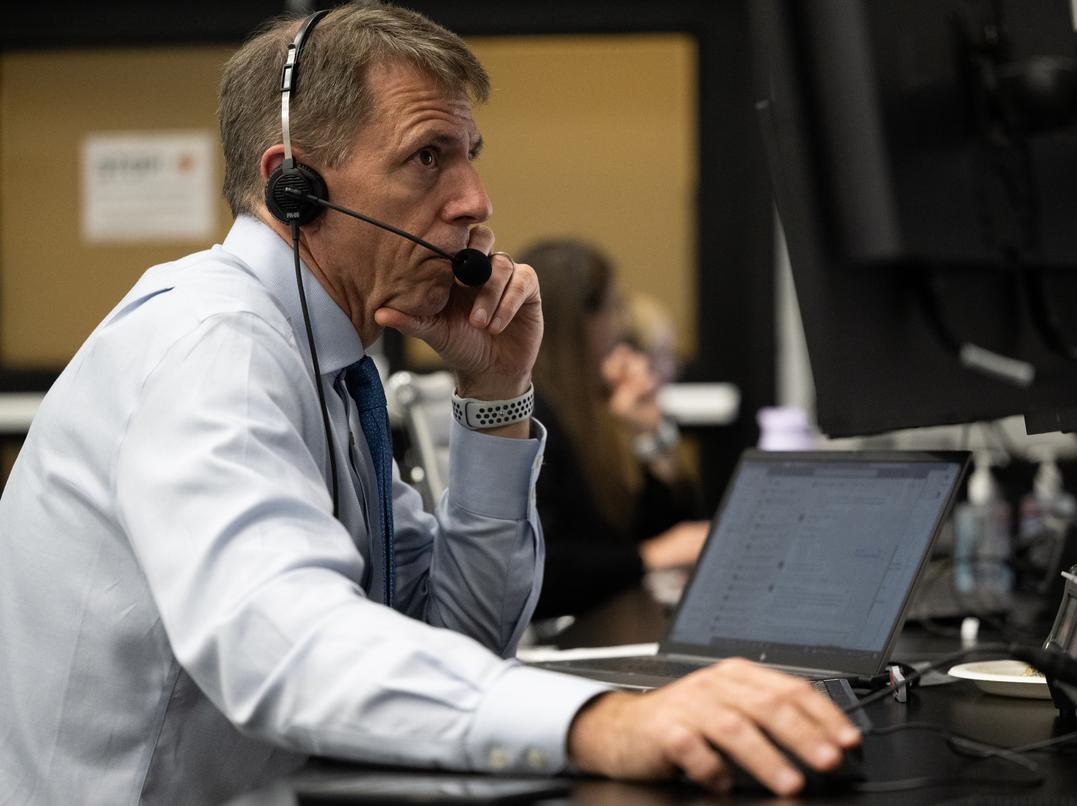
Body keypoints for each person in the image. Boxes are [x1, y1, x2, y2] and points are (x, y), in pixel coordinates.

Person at [0, 5, 859, 805]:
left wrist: (496, 396)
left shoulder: (331, 365)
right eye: (427, 157)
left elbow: (459, 632)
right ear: (296, 186)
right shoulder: (213, 346)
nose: (476, 201)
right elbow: (283, 647)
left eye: (471, 154)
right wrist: (602, 721)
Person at [523, 239, 709, 618]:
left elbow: (667, 528)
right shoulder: (531, 418)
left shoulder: (592, 411)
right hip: (564, 633)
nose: (619, 325)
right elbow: (543, 568)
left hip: (607, 618)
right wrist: (650, 555)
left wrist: (652, 434)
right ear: (580, 323)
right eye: (613, 308)